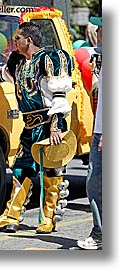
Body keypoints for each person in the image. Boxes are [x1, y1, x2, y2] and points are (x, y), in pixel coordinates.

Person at [0, 21, 73, 234]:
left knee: (51, 170)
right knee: (21, 169)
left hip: (50, 122)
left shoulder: (49, 60)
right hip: (29, 125)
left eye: (17, 39)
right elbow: (0, 76)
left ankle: (48, 220)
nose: (13, 43)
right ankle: (12, 216)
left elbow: (59, 95)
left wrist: (55, 128)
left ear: (28, 40)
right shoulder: (17, 62)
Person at [77, 16, 102, 250]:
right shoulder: (102, 57)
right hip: (100, 130)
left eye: (102, 27)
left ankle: (100, 233)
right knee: (94, 183)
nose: (98, 31)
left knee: (96, 183)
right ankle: (100, 232)